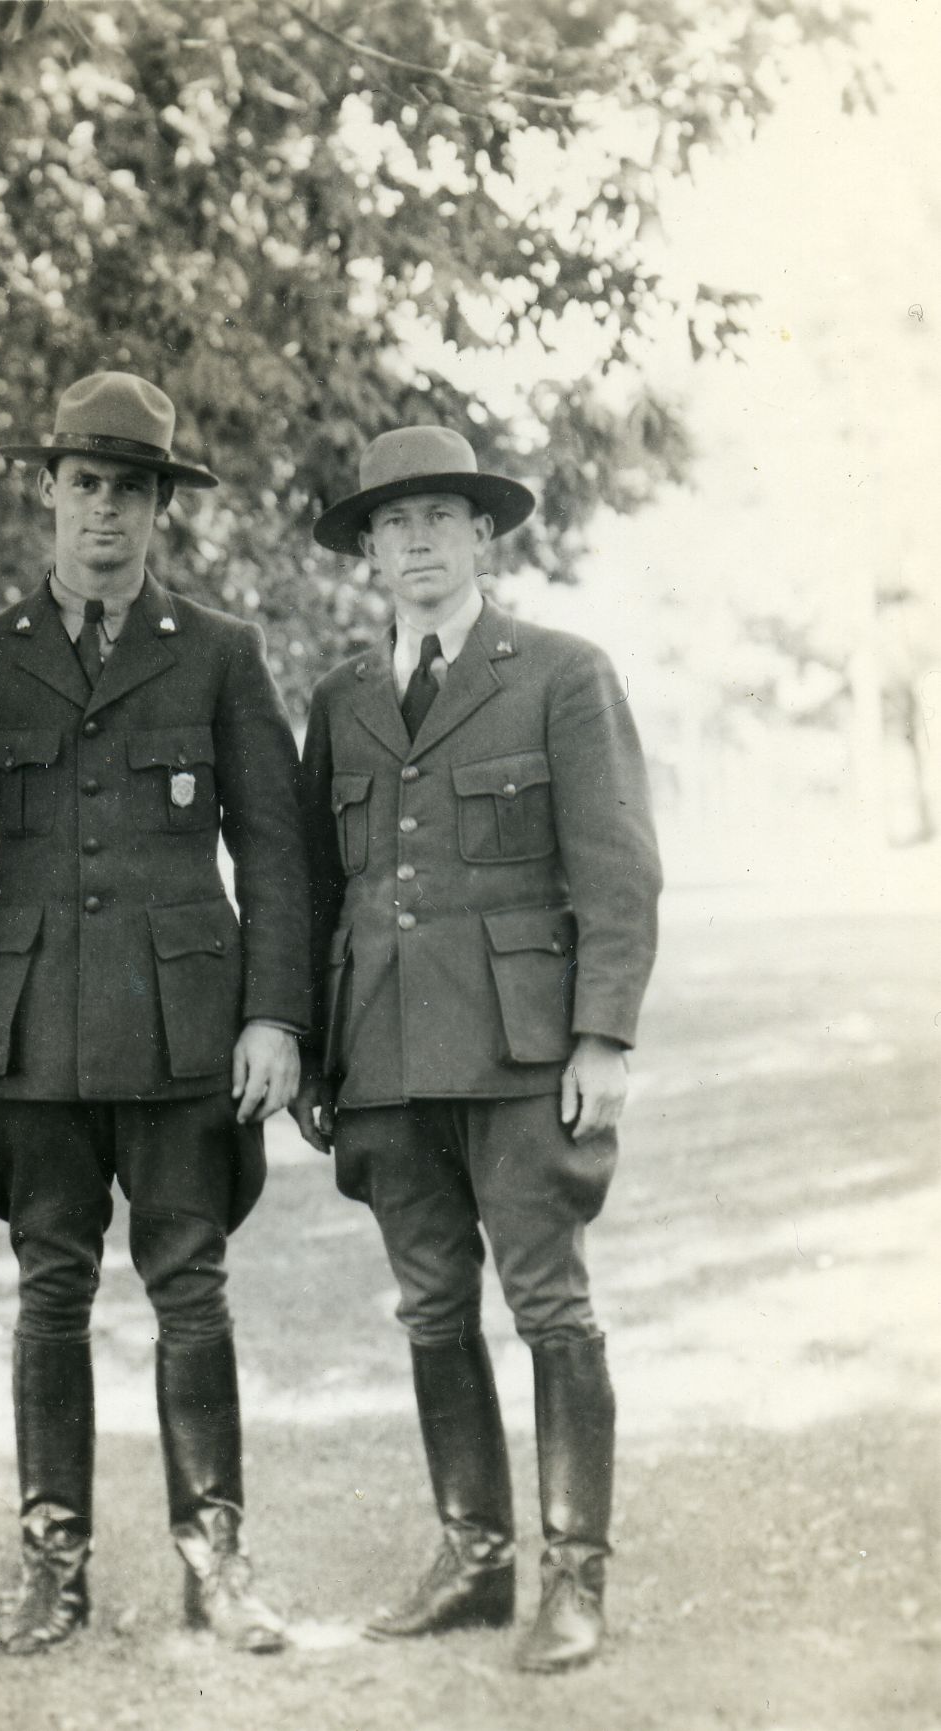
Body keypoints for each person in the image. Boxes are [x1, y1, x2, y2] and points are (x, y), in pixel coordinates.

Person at [0, 372, 311, 1657]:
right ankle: (53, 1566)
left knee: (189, 1292)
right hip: (28, 1029)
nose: (105, 511)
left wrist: (272, 1017)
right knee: (48, 1296)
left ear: (160, 508)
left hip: (185, 1030)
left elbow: (272, 855)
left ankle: (217, 1562)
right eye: (84, 484)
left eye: (130, 489)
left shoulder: (215, 652)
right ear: (46, 492)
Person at [293, 425, 661, 1673]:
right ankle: (472, 1560)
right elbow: (309, 884)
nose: (411, 544)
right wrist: (308, 1046)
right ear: (366, 551)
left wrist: (601, 1035)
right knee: (429, 1309)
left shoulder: (559, 672)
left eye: (436, 519)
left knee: (550, 1308)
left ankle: (572, 1578)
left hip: (517, 1054)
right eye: (388, 526)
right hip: (384, 1062)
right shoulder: (340, 700)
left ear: (481, 535)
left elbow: (615, 872)